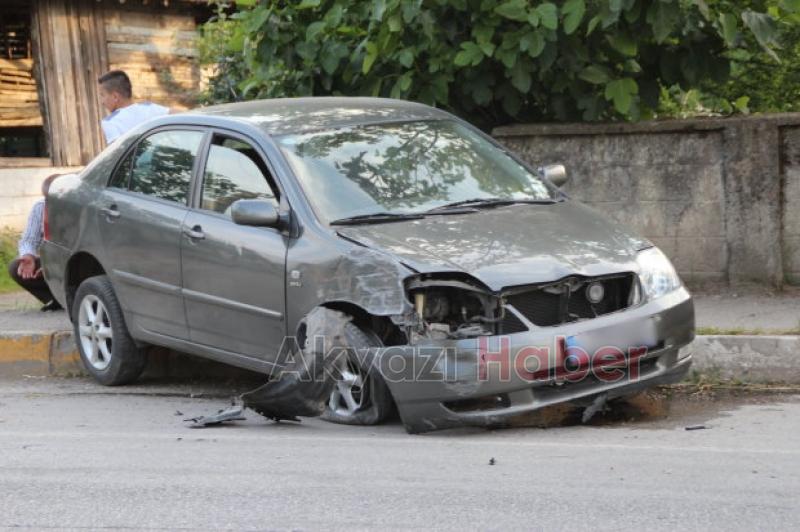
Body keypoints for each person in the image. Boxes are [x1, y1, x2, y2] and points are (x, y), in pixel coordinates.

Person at [7, 174, 62, 312]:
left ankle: (73, 300)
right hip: (51, 260)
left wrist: (57, 264)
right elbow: (29, 240)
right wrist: (28, 256)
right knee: (16, 268)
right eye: (48, 199)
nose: (50, 203)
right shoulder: (40, 207)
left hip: (79, 261)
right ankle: (55, 300)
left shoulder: (82, 209)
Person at [97, 70, 169, 144]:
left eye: (102, 95)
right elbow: (180, 116)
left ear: (115, 97)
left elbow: (119, 152)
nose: (102, 102)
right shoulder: (150, 108)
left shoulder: (110, 122)